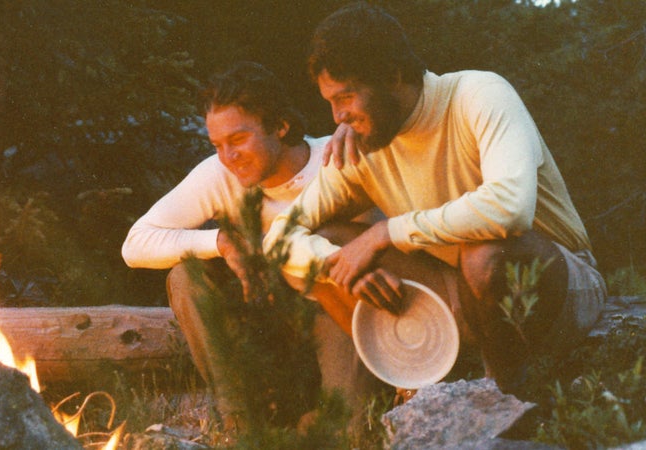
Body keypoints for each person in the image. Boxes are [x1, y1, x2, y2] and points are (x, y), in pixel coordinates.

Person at [264, 2, 607, 394]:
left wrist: (385, 233)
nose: (337, 116)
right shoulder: (362, 142)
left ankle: (502, 399)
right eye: (330, 102)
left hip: (554, 286)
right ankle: (422, 381)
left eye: (346, 97)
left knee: (482, 255)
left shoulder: (479, 94)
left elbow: (510, 208)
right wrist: (336, 264)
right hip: (461, 295)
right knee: (331, 242)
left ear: (392, 76)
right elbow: (279, 239)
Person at [121, 61, 380, 433]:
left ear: (280, 126)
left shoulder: (338, 157)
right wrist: (221, 241)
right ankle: (242, 423)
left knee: (350, 431)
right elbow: (136, 243)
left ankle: (323, 416)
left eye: (239, 139)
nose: (229, 156)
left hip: (336, 315)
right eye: (217, 145)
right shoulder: (221, 173)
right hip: (267, 325)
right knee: (186, 276)